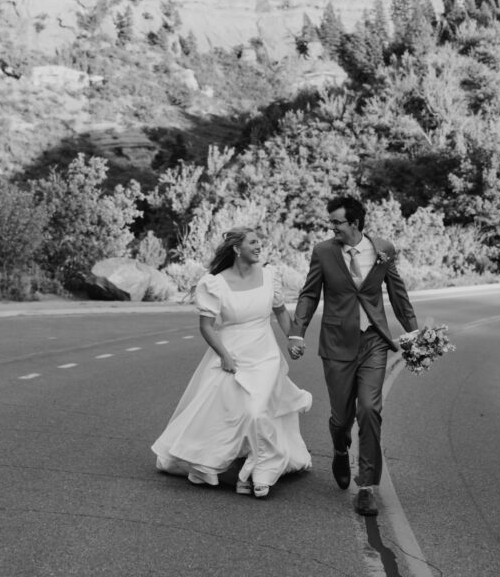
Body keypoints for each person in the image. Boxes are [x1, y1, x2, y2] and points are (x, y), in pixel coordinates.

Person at [152, 227, 312, 498]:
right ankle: (231, 462)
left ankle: (263, 470)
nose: (259, 247)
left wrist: (293, 339)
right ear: (237, 249)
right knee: (231, 410)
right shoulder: (215, 283)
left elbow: (281, 312)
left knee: (256, 410)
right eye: (253, 243)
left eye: (260, 242)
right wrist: (224, 355)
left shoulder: (269, 276)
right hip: (232, 353)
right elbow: (206, 326)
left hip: (265, 355)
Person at [288, 195, 418, 516]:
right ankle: (339, 447)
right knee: (341, 417)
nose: (332, 228)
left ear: (355, 223)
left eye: (337, 222)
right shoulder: (323, 252)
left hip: (373, 340)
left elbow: (397, 294)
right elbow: (309, 294)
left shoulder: (384, 249)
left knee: (370, 409)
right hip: (336, 344)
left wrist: (413, 331)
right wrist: (296, 332)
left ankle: (368, 488)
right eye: (330, 222)